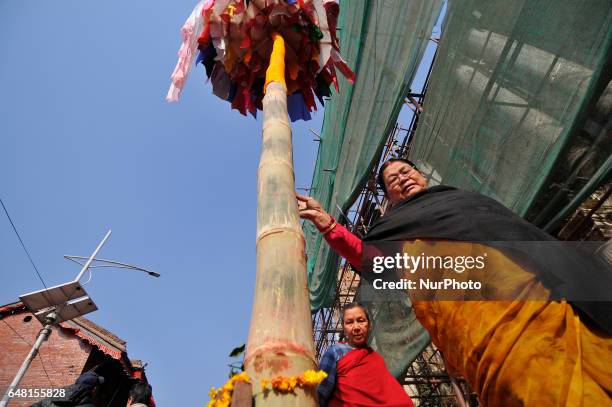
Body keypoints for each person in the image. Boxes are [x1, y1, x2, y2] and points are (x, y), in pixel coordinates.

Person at [299, 158, 612, 406]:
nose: (403, 179)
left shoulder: (462, 200)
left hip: (531, 296)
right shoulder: (393, 230)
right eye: (393, 180)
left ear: (421, 176)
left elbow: (518, 235)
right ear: (390, 198)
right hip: (483, 333)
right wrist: (328, 224)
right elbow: (368, 260)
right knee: (530, 383)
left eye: (407, 172)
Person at [317, 302, 414, 407]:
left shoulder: (375, 357)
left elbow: (388, 393)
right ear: (344, 328)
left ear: (369, 325)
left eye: (361, 320)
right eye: (349, 322)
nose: (356, 327)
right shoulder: (335, 351)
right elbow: (321, 393)